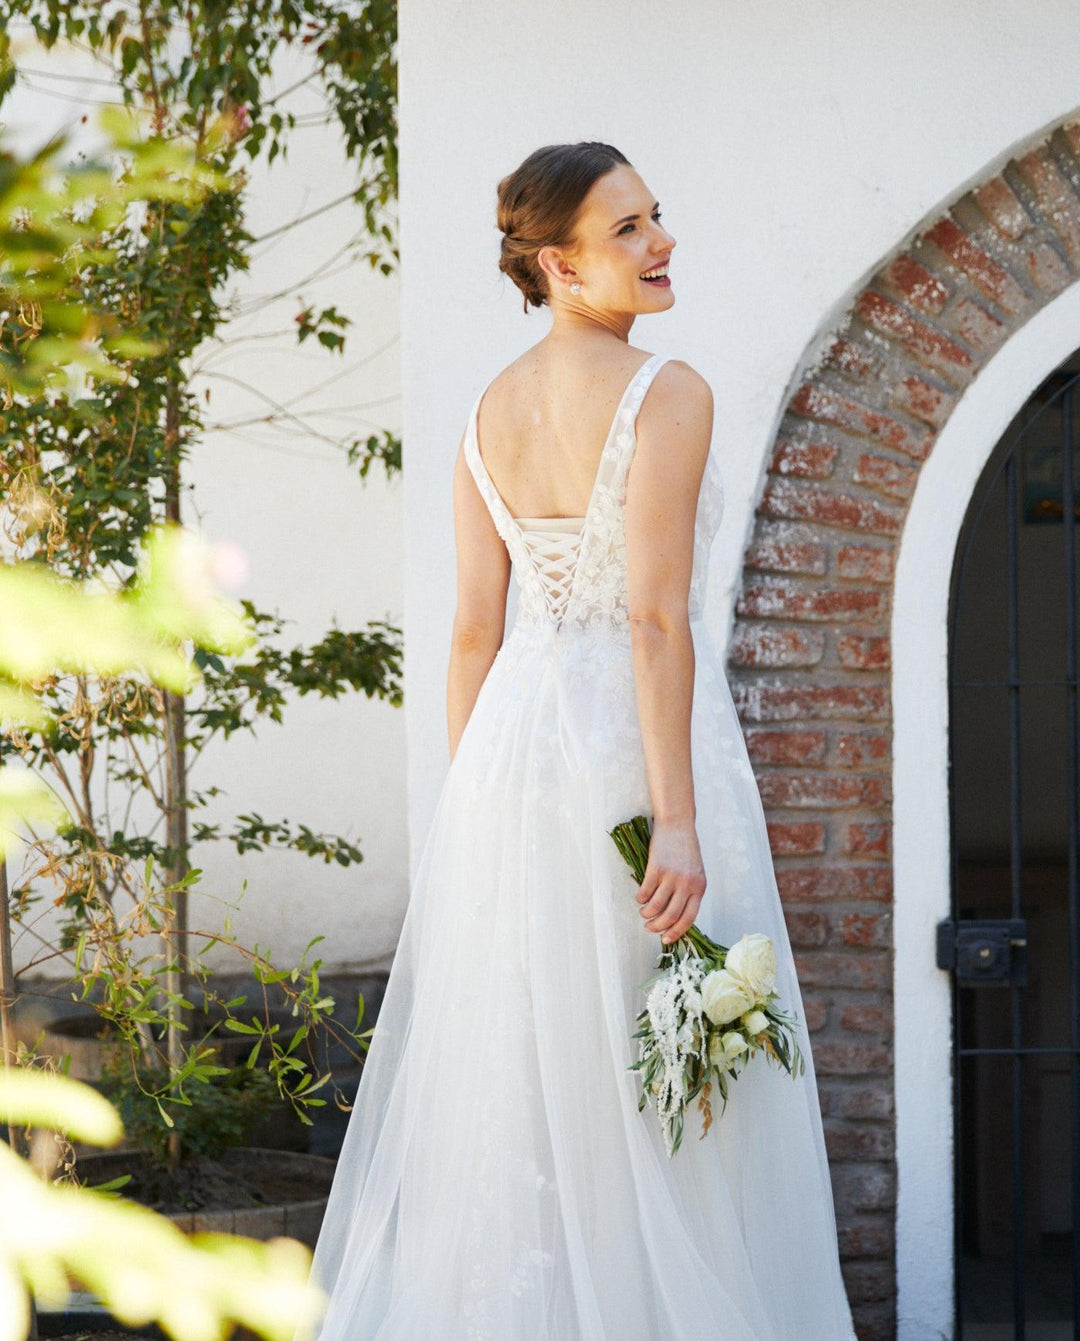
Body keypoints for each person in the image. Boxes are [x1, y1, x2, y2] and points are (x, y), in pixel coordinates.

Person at [302, 141, 858, 1340]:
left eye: (658, 217)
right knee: (661, 1074)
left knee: (541, 1079)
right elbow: (656, 618)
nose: (661, 244)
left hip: (512, 760)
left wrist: (473, 824)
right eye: (627, 231)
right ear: (557, 263)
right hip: (634, 750)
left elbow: (470, 636)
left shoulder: (484, 411)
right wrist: (677, 818)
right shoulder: (669, 392)